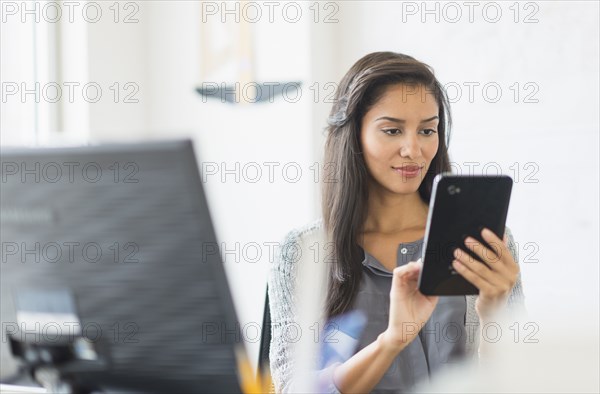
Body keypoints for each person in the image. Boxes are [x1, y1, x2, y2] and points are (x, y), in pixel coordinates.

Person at [268, 51, 525, 393]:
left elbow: (518, 382)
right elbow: (294, 389)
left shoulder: (485, 242)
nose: (413, 150)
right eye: (392, 130)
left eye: (427, 130)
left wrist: (493, 313)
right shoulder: (303, 252)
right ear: (353, 135)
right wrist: (391, 340)